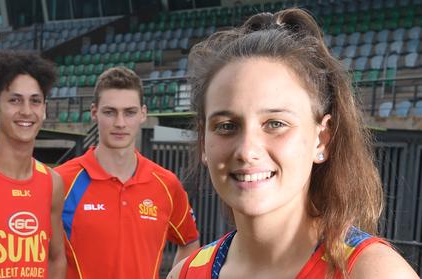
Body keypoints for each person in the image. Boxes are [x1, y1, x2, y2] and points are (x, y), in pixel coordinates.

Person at [169, 8, 418, 279]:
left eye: (275, 123)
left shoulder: (372, 273)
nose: (247, 150)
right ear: (204, 141)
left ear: (321, 139)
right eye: (227, 126)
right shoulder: (186, 273)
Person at [55, 66, 200, 278]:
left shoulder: (166, 184)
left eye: (129, 112)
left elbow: (189, 242)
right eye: (110, 112)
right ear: (94, 113)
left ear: (143, 114)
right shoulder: (62, 180)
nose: (120, 123)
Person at [0, 51, 66, 279]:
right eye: (15, 100)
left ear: (44, 109)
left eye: (35, 101)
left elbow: (56, 258)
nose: (26, 111)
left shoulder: (52, 182)